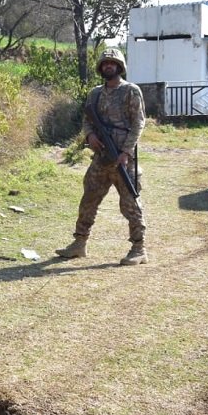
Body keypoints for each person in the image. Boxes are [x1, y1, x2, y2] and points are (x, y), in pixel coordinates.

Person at [56, 48, 148, 266]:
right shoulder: (95, 93)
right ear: (101, 67)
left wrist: (125, 152)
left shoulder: (130, 91)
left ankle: (139, 248)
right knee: (88, 200)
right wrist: (90, 136)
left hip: (123, 159)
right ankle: (79, 243)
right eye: (105, 63)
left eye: (112, 63)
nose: (108, 66)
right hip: (100, 158)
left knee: (130, 203)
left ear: (119, 66)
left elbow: (138, 123)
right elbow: (87, 119)